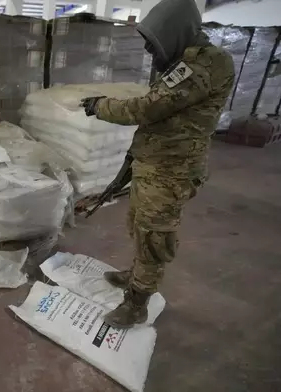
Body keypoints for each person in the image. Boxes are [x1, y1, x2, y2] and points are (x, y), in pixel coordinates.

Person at [80, 0, 235, 329]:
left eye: (155, 40)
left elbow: (148, 109)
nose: (151, 50)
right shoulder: (185, 61)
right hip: (154, 162)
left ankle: (137, 303)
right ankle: (137, 275)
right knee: (139, 227)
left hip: (172, 170)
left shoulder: (208, 63)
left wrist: (99, 106)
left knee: (154, 235)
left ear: (176, 31)